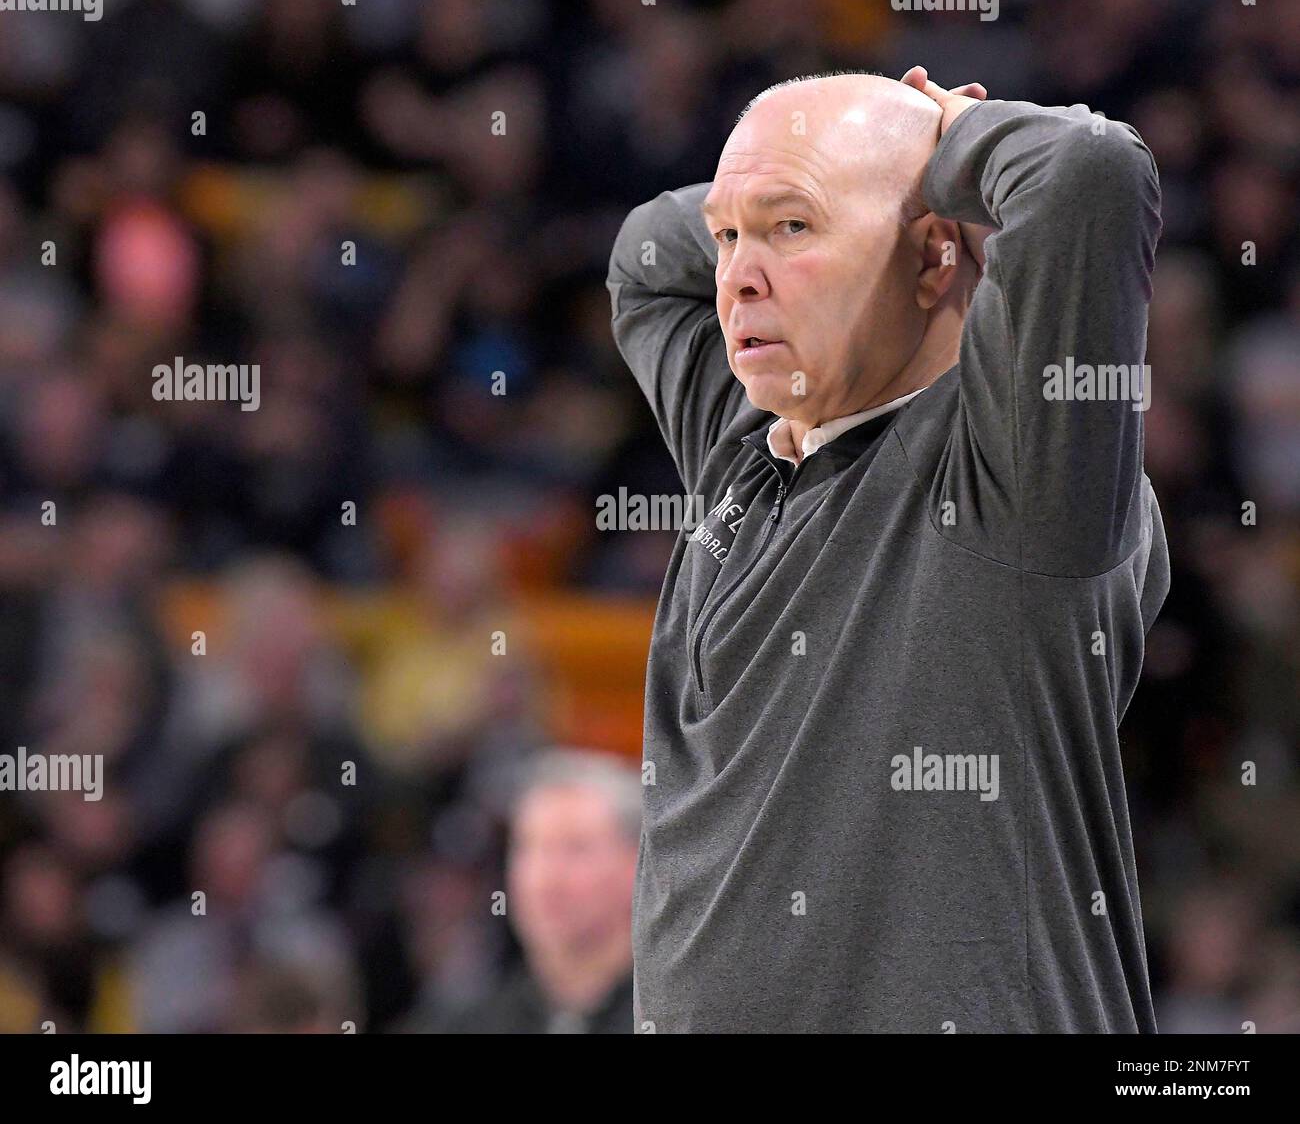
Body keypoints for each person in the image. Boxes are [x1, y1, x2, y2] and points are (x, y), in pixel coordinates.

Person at [606, 67, 1168, 1032]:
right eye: (732, 237)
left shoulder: (1021, 480)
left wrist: (944, 148)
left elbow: (1089, 170)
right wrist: (824, 178)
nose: (737, 274)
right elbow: (643, 259)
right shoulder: (744, 441)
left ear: (934, 258)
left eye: (792, 229)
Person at [437, 749, 638, 1033]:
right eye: (529, 849)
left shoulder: (682, 1017)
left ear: (636, 865)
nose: (545, 880)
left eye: (576, 848)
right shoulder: (467, 1024)